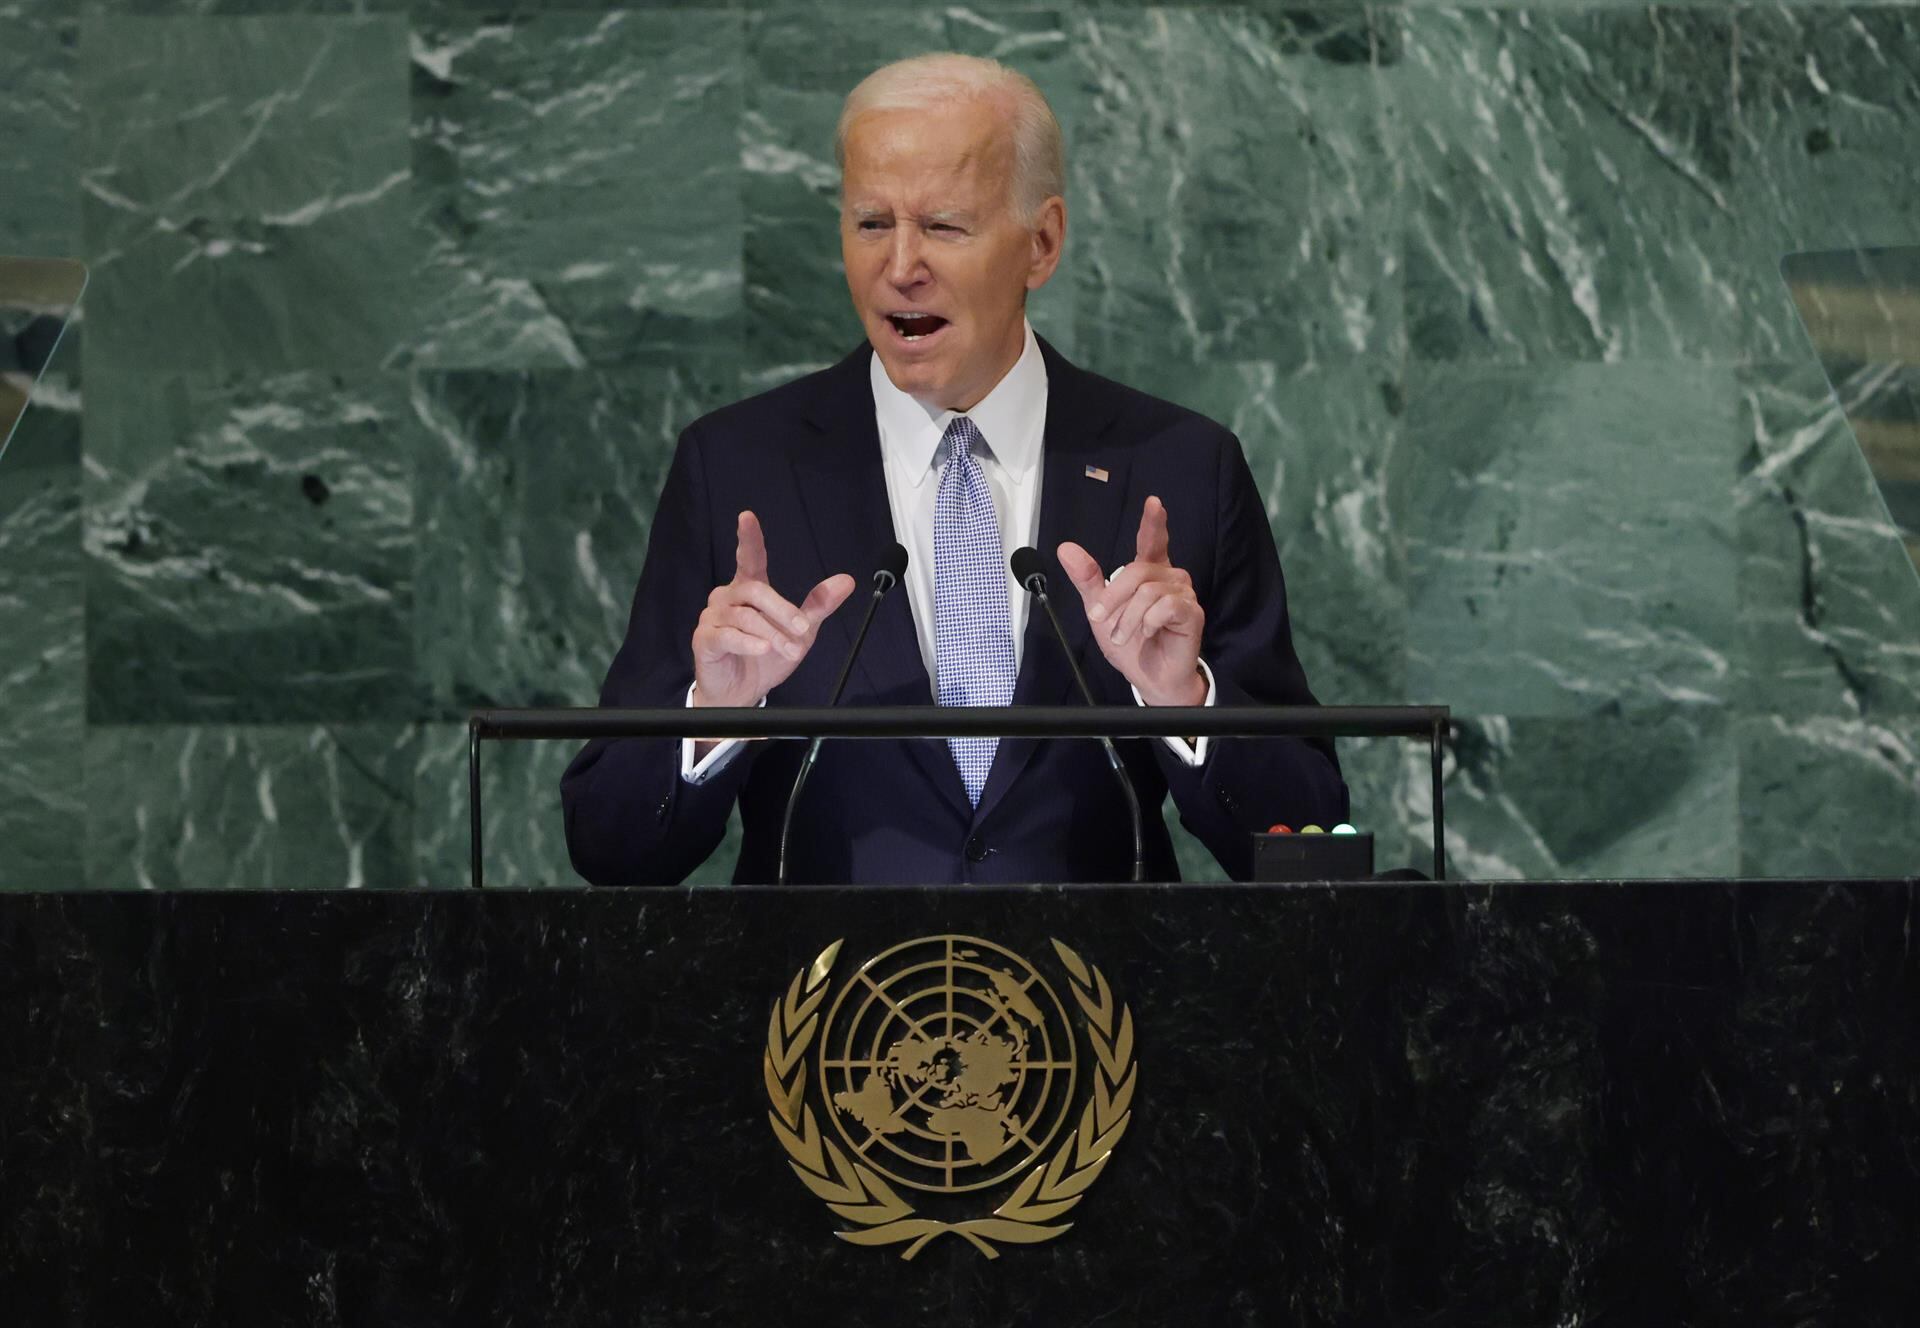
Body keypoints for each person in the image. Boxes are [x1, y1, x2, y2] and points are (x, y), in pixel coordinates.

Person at [561, 53, 1347, 885]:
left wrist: (1184, 701)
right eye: (871, 224)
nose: (900, 267)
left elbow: (1309, 838)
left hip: (1099, 1004)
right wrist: (714, 716)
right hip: (827, 1007)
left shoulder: (1179, 468)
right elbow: (609, 845)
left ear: (1040, 244)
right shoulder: (739, 467)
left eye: (943, 226)